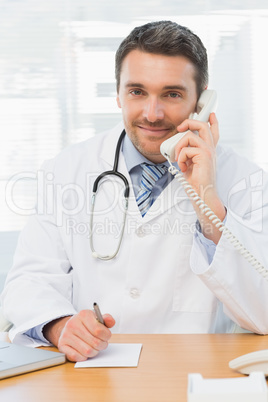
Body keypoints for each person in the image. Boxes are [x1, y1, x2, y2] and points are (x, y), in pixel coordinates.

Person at [1, 20, 268, 362]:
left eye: (172, 94)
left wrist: (208, 201)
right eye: (137, 91)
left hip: (193, 377)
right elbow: (28, 282)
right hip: (90, 380)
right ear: (118, 94)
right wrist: (60, 326)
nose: (152, 114)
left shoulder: (245, 181)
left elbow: (263, 312)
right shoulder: (66, 170)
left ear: (203, 101)